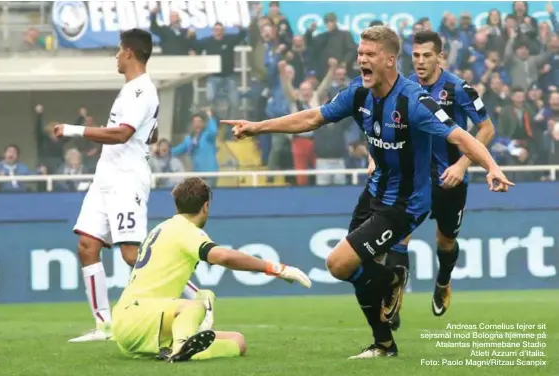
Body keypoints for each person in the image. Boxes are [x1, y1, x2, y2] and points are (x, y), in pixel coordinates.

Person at [221, 25, 513, 359]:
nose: (361, 59)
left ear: (390, 60)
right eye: (360, 53)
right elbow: (313, 118)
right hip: (374, 194)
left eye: (369, 54)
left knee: (338, 263)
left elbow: (461, 136)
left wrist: (491, 166)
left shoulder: (414, 101)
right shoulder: (358, 94)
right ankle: (384, 344)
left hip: (406, 204)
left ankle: (392, 279)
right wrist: (258, 127)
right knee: (354, 271)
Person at [112, 178, 311, 362]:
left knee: (237, 341)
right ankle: (181, 347)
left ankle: (177, 350)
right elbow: (223, 257)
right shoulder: (186, 231)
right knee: (195, 306)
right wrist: (276, 268)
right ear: (206, 206)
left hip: (139, 322)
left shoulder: (162, 228)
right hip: (138, 317)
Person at [54, 29, 160, 342]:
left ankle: (194, 297)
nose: (115, 56)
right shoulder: (131, 91)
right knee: (87, 246)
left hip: (127, 178)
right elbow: (149, 134)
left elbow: (122, 133)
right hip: (106, 176)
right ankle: (104, 325)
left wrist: (74, 129)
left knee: (130, 254)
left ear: (129, 52)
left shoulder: (141, 90)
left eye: (118, 50)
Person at [387, 30, 496, 331]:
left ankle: (443, 281)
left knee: (445, 241)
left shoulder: (459, 88)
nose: (420, 62)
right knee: (398, 236)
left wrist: (462, 164)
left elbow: (486, 129)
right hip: (414, 179)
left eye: (427, 55)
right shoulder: (403, 87)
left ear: (440, 56)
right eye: (416, 56)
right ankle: (394, 297)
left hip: (451, 178)